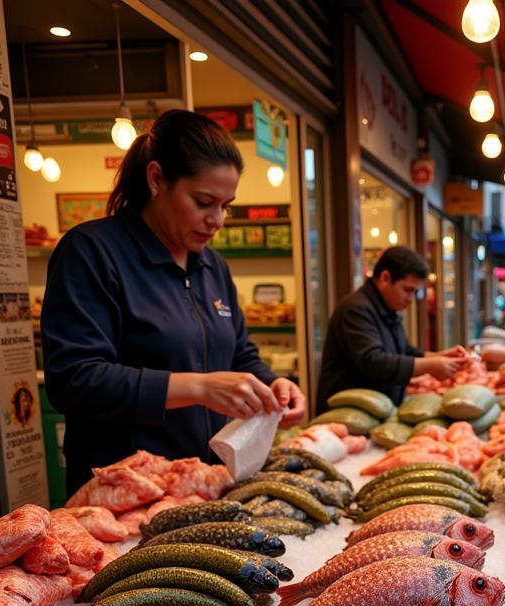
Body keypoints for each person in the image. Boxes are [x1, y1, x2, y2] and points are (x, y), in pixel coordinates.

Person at [42, 109, 306, 494]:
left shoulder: (212, 265)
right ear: (155, 179)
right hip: (126, 493)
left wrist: (273, 383)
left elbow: (238, 354)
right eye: (203, 201)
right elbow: (75, 379)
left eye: (226, 205)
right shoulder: (92, 253)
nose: (217, 219)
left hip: (208, 482)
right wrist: (197, 387)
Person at [316, 246, 467, 414]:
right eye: (407, 290)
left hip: (375, 412)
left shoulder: (387, 308)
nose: (411, 299)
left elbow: (404, 352)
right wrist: (430, 366)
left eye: (415, 292)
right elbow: (373, 361)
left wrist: (440, 356)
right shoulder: (355, 309)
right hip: (345, 417)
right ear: (385, 278)